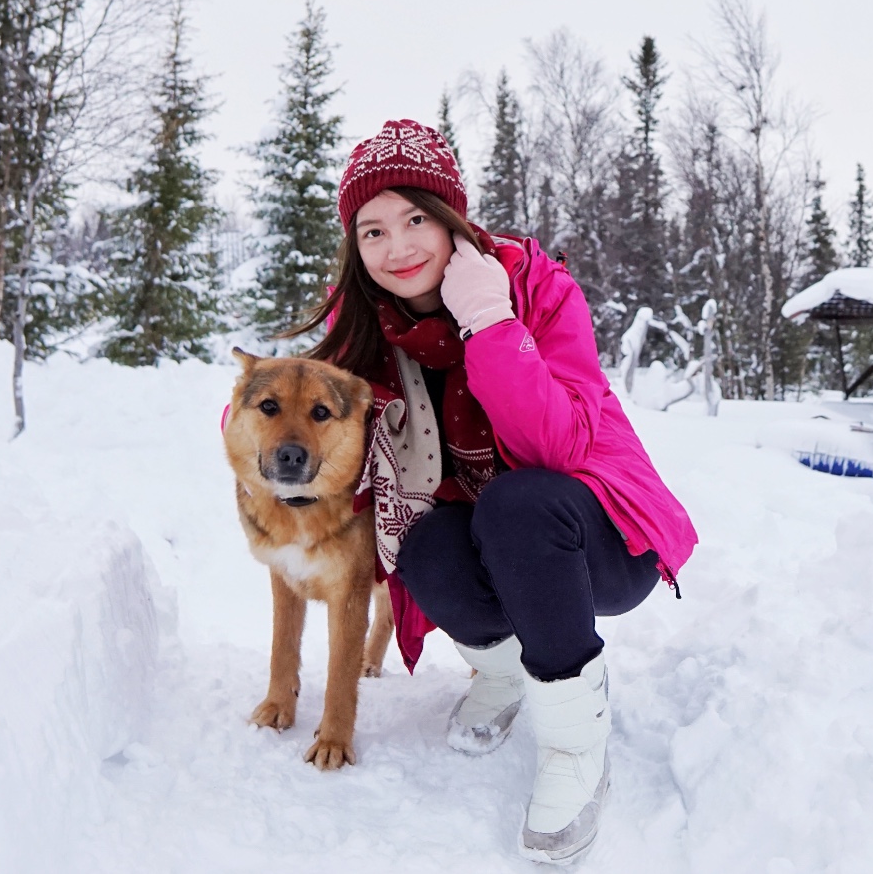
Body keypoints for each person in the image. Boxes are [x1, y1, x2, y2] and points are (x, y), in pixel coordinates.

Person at [290, 118, 697, 863]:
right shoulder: (368, 327)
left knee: (518, 503)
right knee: (423, 539)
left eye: (416, 218)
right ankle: (508, 669)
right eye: (373, 230)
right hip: (491, 547)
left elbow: (559, 445)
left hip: (599, 537)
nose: (398, 246)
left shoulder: (534, 288)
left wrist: (488, 320)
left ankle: (576, 745)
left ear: (452, 219)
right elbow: (290, 404)